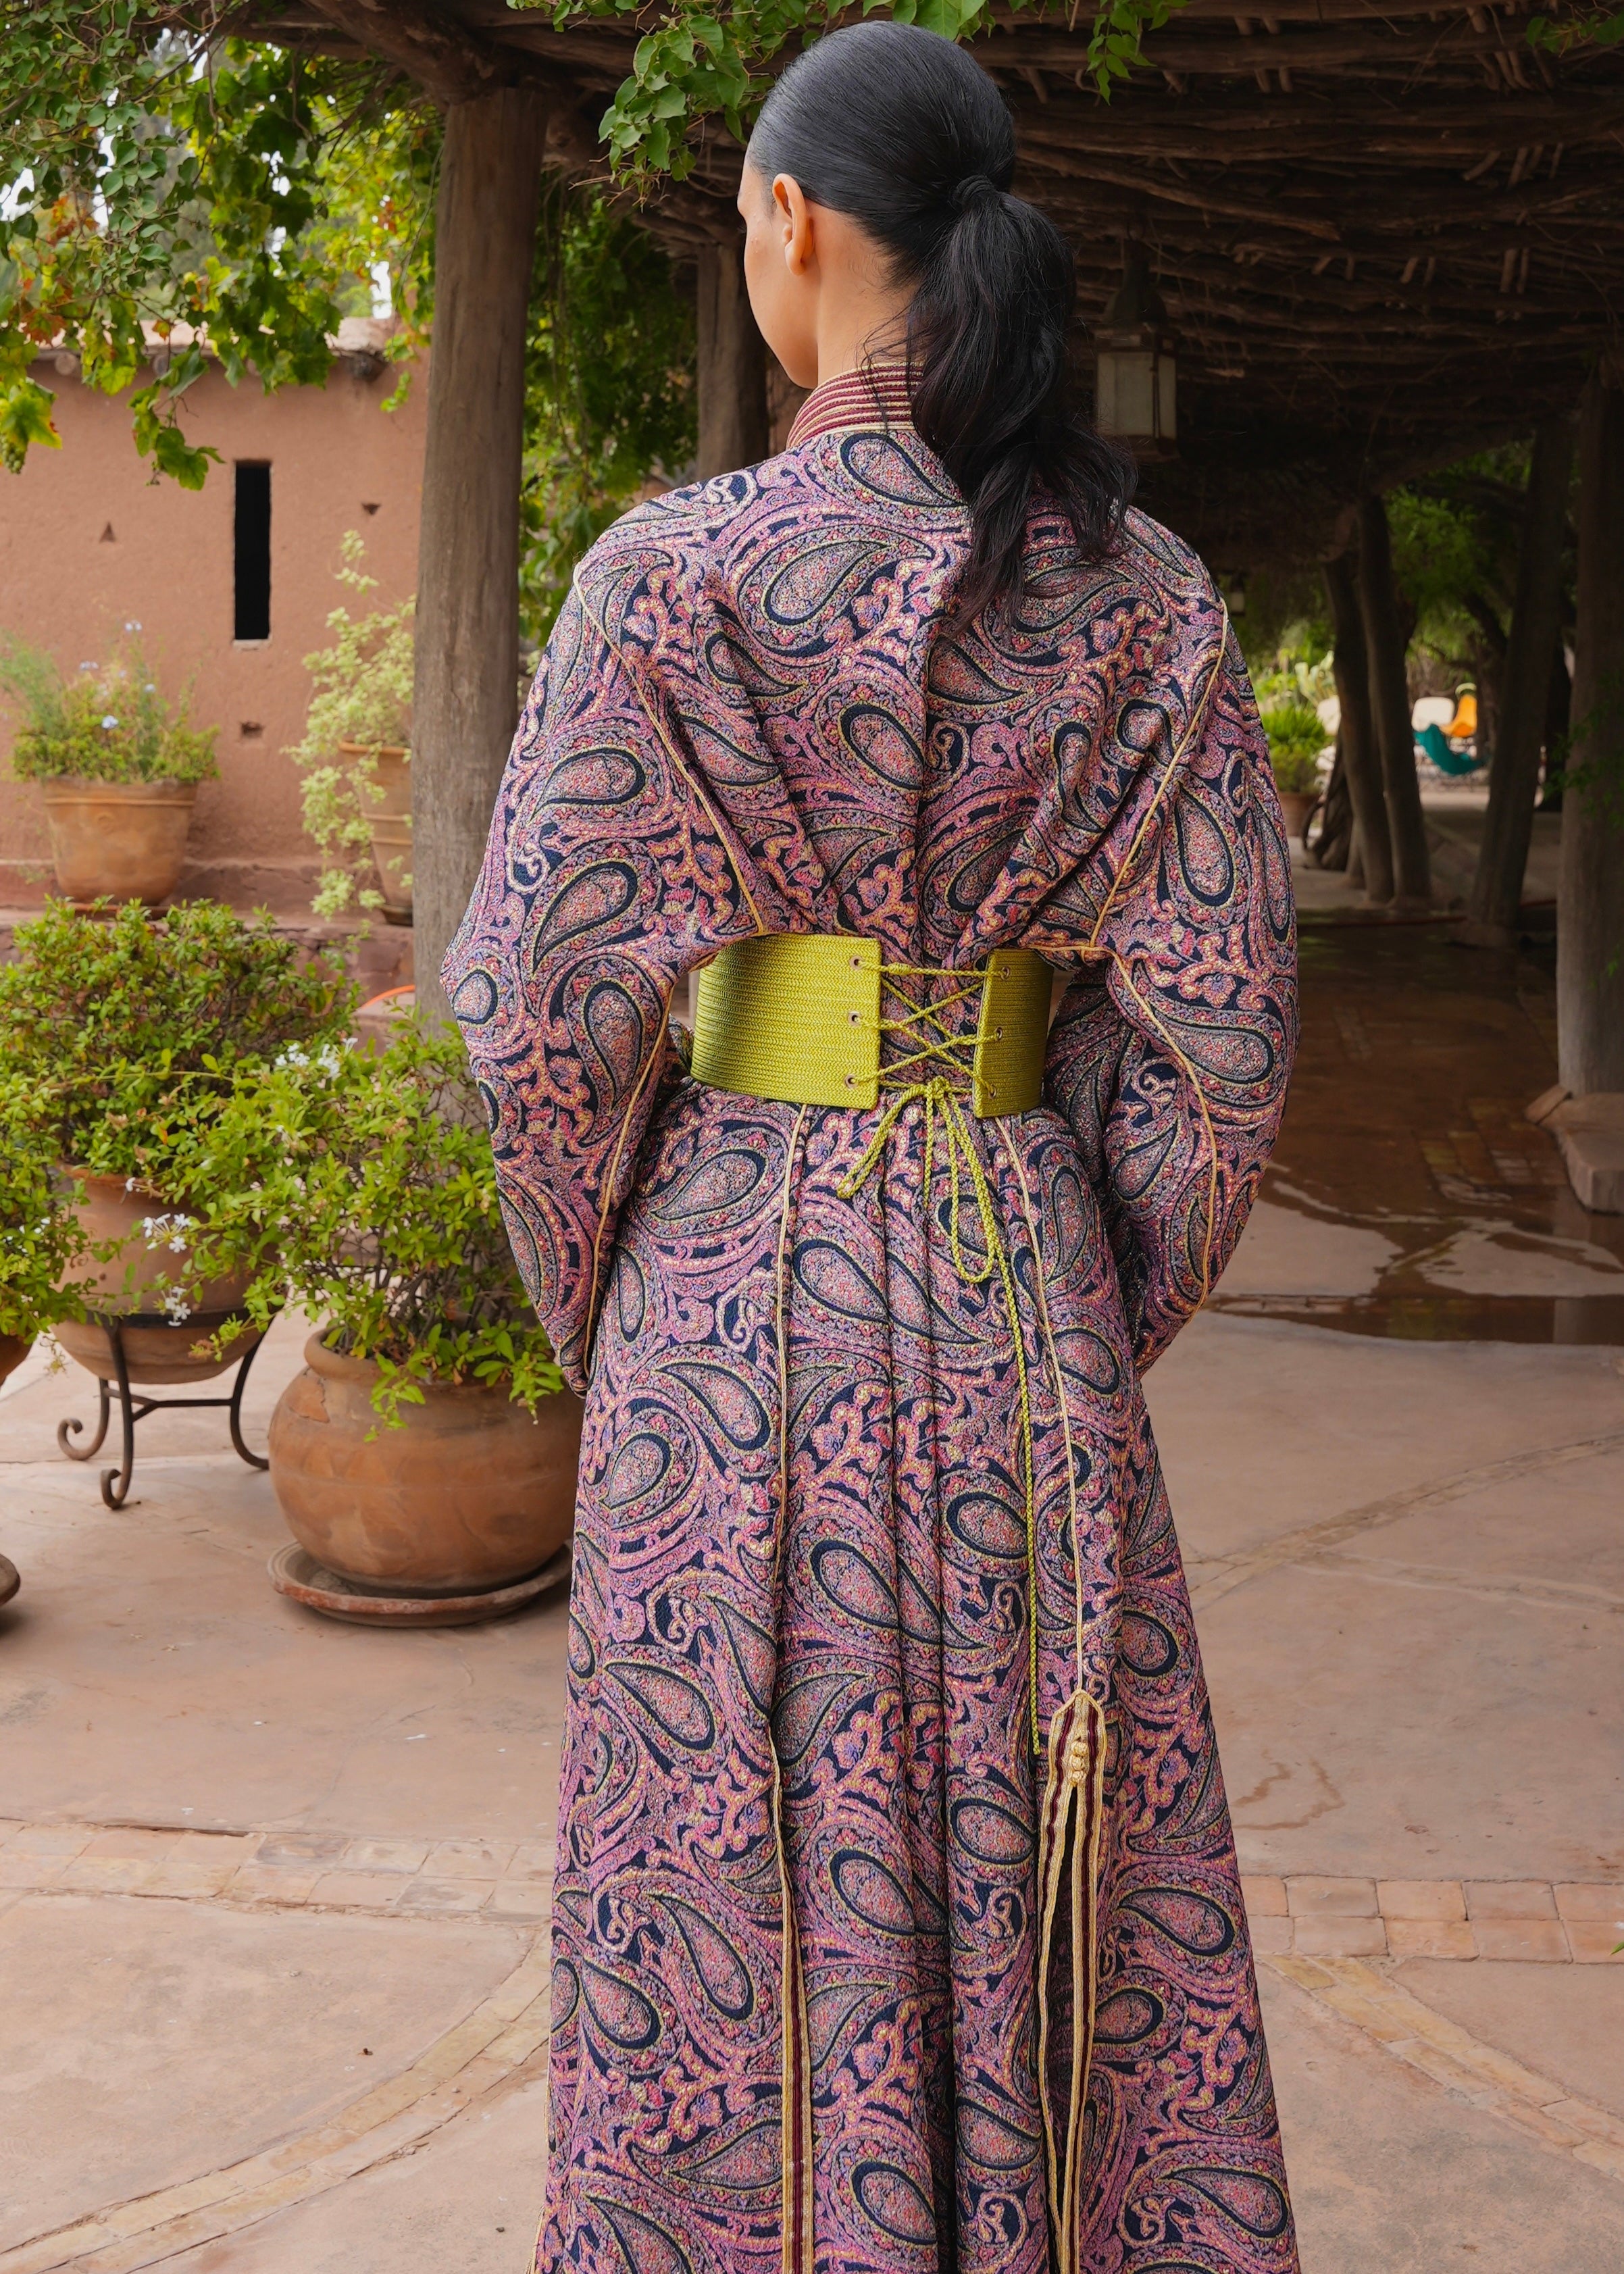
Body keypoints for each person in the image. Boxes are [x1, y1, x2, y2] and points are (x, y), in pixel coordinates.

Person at [447, 22, 1300, 2274]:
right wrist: (1085, 1284)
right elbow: (1218, 1049)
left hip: (729, 1312)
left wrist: (627, 1301)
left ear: (788, 226)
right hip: (1027, 1315)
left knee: (724, 1860)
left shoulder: (677, 574)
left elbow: (539, 1027)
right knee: (1048, 1868)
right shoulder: (1152, 606)